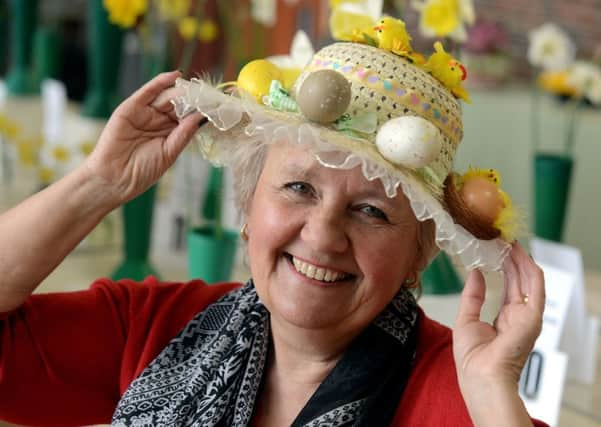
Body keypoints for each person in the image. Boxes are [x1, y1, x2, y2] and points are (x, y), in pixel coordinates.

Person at [0, 20, 546, 427]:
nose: (323, 234)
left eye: (372, 211)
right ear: (248, 205)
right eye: (299, 188)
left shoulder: (460, 394)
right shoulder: (158, 328)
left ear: (415, 257)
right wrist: (97, 184)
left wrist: (495, 394)